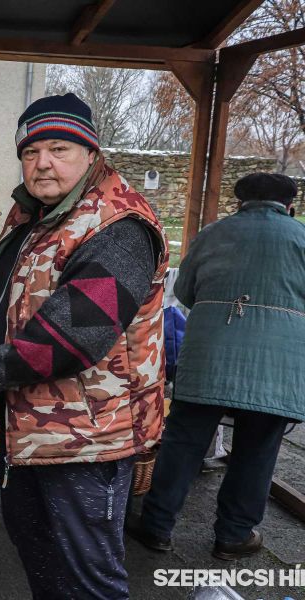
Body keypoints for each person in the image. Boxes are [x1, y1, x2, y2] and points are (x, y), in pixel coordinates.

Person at [0, 93, 168, 599]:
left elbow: (77, 331)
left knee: (88, 578)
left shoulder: (119, 225)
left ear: (91, 154)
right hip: (33, 430)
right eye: (31, 151)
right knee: (38, 553)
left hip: (90, 438)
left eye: (60, 148)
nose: (42, 162)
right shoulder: (37, 213)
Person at [131, 173, 305, 561]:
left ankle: (156, 526)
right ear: (290, 205)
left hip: (208, 354)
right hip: (277, 362)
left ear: (239, 203)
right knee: (257, 450)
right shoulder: (301, 237)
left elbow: (186, 290)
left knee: (183, 442)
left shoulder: (212, 234)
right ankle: (234, 535)